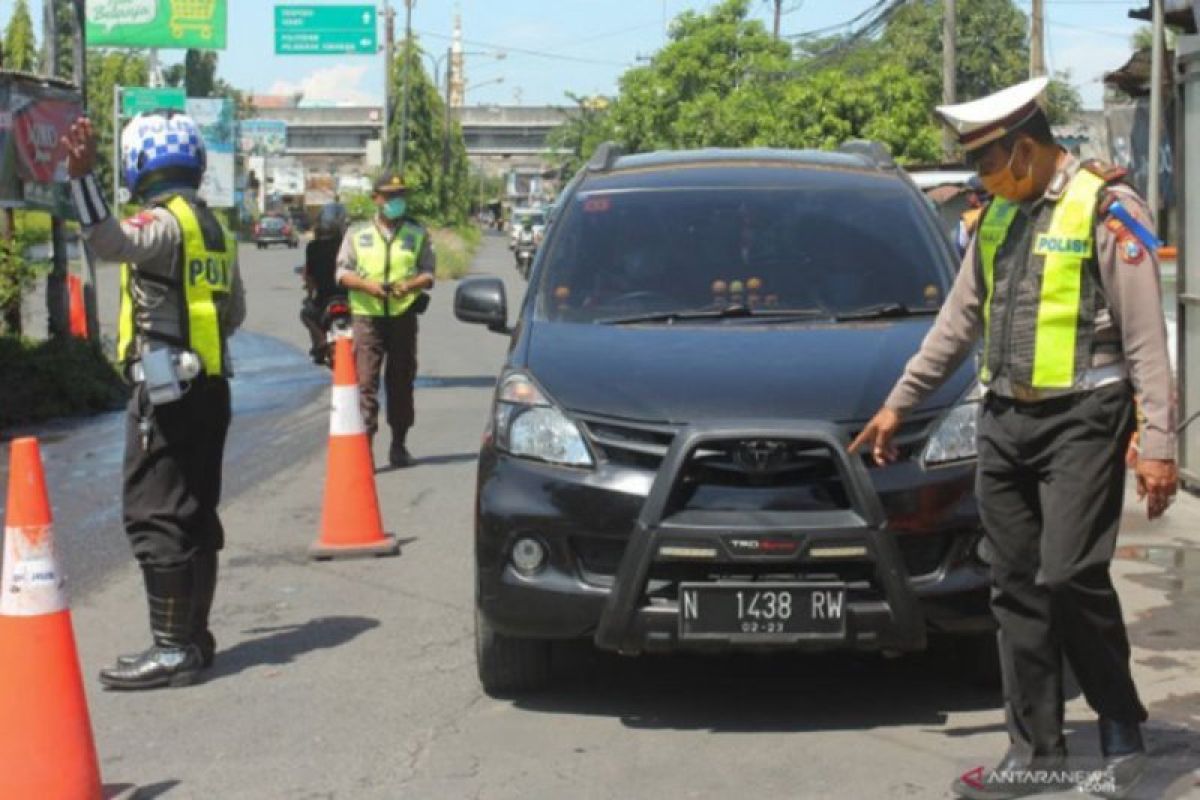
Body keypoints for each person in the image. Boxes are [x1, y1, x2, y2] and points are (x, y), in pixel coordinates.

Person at [850, 77, 1176, 799]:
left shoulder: (1109, 209)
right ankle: (1037, 752)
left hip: (1084, 419)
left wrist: (1158, 443)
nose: (983, 179)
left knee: (1068, 575)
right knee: (1015, 585)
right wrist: (898, 404)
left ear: (1025, 150)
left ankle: (1119, 724)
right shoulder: (996, 217)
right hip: (1005, 420)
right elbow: (957, 323)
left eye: (989, 164)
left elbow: (1148, 339)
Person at [62, 111, 245, 689]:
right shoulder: (214, 228)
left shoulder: (163, 223)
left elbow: (110, 241)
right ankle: (195, 637)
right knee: (195, 512)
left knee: (154, 515)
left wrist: (81, 180)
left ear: (139, 165)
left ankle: (171, 648)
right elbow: (233, 312)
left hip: (167, 392)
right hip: (211, 388)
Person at [336, 173, 435, 468]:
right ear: (375, 199)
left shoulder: (417, 233)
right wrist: (368, 286)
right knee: (366, 381)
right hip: (368, 317)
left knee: (401, 381)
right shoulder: (357, 234)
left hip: (403, 316)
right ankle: (366, 449)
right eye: (390, 196)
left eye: (400, 195)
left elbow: (429, 272)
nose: (396, 201)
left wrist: (412, 284)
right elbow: (342, 272)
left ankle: (399, 445)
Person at [300, 202, 349, 364]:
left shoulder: (313, 247)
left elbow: (310, 276)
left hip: (324, 297)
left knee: (306, 313)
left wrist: (310, 293)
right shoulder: (348, 245)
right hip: (349, 296)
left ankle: (320, 342)